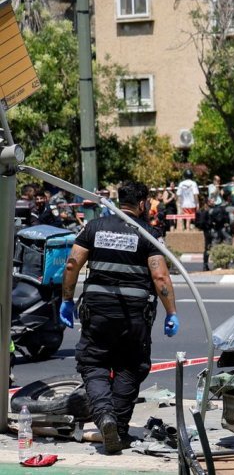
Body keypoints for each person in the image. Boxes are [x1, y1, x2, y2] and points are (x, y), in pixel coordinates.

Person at [59, 181, 178, 454]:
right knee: (130, 367)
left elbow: (72, 264)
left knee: (94, 363)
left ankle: (105, 418)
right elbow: (160, 276)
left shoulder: (94, 228)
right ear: (142, 203)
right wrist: (171, 312)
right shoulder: (148, 233)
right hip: (134, 316)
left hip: (97, 311)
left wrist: (66, 300)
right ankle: (119, 430)